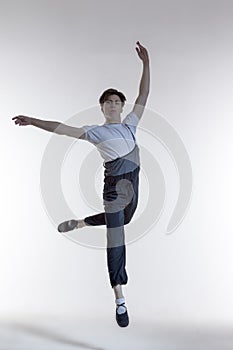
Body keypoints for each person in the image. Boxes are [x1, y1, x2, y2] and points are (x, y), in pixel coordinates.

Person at [12, 41, 150, 327]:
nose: (113, 104)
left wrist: (146, 64)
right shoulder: (95, 132)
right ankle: (120, 298)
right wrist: (32, 121)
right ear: (102, 107)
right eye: (108, 101)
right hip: (114, 189)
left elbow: (144, 93)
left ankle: (82, 223)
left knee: (127, 219)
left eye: (117, 101)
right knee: (116, 237)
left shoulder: (131, 124)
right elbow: (61, 129)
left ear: (122, 107)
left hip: (133, 186)